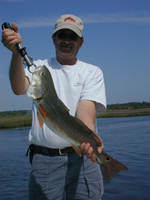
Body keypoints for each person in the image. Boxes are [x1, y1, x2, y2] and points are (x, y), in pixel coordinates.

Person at [1, 14, 107, 200]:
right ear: (54, 39)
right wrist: (15, 53)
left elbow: (86, 108)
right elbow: (18, 88)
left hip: (84, 159)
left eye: (72, 36)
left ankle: (109, 165)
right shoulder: (40, 68)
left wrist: (89, 137)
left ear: (80, 42)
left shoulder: (92, 71)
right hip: (45, 160)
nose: (66, 41)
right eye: (62, 35)